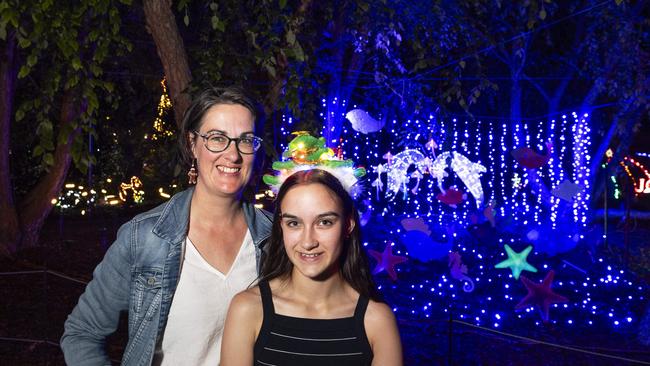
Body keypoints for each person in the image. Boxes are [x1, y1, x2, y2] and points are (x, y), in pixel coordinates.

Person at [61, 86, 273, 365]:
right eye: (217, 138)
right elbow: (82, 333)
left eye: (245, 140)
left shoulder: (274, 237)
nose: (232, 155)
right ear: (192, 144)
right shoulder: (143, 238)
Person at [221, 169, 403, 366]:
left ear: (348, 225)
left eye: (324, 222)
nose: (308, 242)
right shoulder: (248, 309)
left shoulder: (377, 320)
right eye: (294, 223)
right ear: (281, 226)